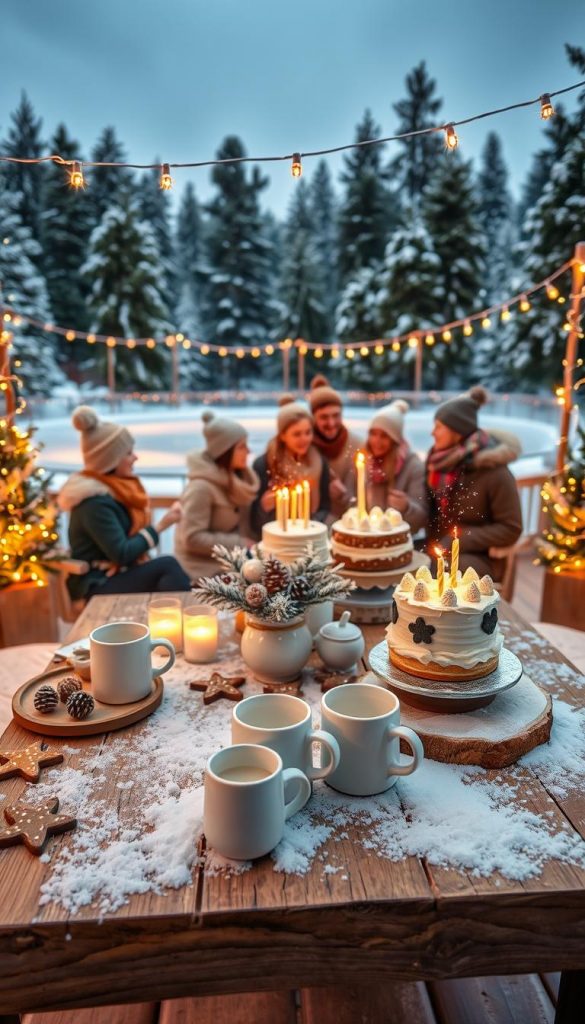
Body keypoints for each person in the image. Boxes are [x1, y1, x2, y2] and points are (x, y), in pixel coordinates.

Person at [58, 406, 191, 599]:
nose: (135, 457)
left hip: (114, 576)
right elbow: (122, 553)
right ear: (110, 460)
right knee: (168, 567)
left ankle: (180, 622)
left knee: (167, 579)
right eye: (128, 453)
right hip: (96, 585)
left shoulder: (114, 492)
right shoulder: (93, 503)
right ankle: (191, 619)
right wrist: (163, 524)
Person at [425, 386, 522, 580]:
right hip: (439, 547)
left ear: (457, 431)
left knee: (432, 572)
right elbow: (428, 511)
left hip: (480, 558)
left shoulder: (494, 471)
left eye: (438, 427)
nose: (432, 433)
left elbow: (511, 528)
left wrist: (461, 538)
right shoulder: (438, 464)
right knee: (405, 562)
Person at [174, 411, 259, 582]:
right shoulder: (201, 488)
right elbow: (192, 538)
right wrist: (240, 543)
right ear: (225, 452)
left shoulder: (236, 481)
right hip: (202, 569)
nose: (249, 451)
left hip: (229, 561)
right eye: (242, 447)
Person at [250, 396, 330, 537]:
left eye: (308, 432)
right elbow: (254, 522)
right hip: (277, 539)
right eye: (297, 434)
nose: (304, 439)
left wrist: (309, 526)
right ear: (282, 435)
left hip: (308, 538)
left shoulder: (319, 461)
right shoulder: (265, 464)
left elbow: (325, 506)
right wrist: (263, 508)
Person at [365, 400, 427, 534]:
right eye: (373, 434)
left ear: (395, 439)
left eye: (384, 436)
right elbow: (359, 507)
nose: (376, 441)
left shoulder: (414, 467)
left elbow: (422, 518)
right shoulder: (367, 463)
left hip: (400, 543)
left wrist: (406, 507)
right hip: (371, 539)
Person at [309, 375, 362, 519]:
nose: (331, 423)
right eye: (324, 417)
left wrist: (344, 497)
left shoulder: (357, 446)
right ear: (313, 417)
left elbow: (366, 500)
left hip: (350, 528)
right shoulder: (305, 447)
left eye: (336, 415)